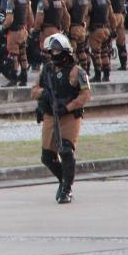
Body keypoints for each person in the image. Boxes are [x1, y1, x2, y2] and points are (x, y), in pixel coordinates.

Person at [31, 33, 91, 204]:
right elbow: (33, 90)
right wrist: (45, 93)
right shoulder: (46, 70)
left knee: (66, 150)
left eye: (57, 51)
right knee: (47, 157)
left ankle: (67, 188)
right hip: (50, 115)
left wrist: (67, 107)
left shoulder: (77, 71)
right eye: (52, 51)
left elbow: (86, 95)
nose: (54, 54)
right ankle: (63, 179)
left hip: (69, 116)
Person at [0, 0, 34, 87]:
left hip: (14, 32)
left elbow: (9, 20)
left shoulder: (11, 1)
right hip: (23, 31)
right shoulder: (26, 0)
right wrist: (28, 29)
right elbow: (31, 18)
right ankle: (24, 79)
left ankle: (14, 79)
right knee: (23, 54)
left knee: (14, 56)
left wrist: (3, 27)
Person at [84, 0, 114, 82]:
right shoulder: (106, 1)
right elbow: (112, 17)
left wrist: (85, 30)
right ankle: (107, 75)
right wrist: (113, 29)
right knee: (105, 53)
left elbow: (86, 17)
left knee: (95, 53)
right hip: (106, 30)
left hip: (95, 31)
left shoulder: (90, 2)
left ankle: (97, 76)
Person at [64, 0, 90, 72]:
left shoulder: (70, 0)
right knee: (82, 50)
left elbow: (64, 15)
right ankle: (85, 70)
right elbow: (86, 14)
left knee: (72, 51)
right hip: (82, 28)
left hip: (73, 28)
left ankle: (73, 71)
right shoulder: (84, 0)